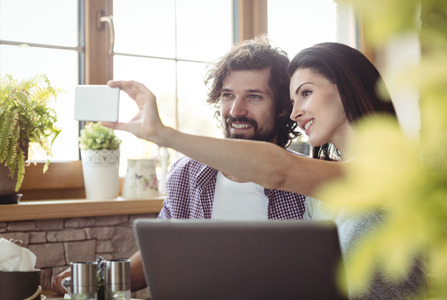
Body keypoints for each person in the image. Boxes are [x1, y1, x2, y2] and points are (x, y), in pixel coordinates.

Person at [98, 42, 425, 299]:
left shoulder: (390, 161)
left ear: (346, 86)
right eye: (295, 98)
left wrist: (163, 134)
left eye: (306, 93)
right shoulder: (321, 184)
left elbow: (279, 170)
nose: (297, 112)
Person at [51, 37, 306, 295]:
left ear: (284, 107)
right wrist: (97, 277)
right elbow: (159, 255)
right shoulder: (186, 173)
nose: (236, 110)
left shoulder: (307, 179)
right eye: (228, 95)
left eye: (254, 96)